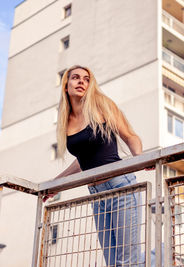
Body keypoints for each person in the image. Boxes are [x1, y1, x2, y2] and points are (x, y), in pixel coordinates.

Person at [49, 65, 144, 266]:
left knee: (127, 262)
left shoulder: (101, 105)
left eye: (86, 78)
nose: (81, 81)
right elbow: (83, 160)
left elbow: (130, 136)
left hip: (122, 187)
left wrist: (140, 158)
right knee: (112, 262)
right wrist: (55, 184)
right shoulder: (66, 122)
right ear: (66, 85)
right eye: (75, 77)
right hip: (97, 195)